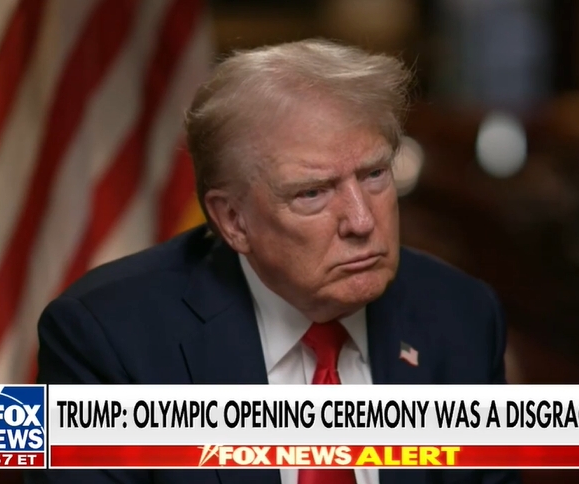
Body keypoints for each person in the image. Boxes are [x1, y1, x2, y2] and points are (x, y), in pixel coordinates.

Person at [27, 39, 520, 484]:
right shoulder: (108, 338)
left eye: (374, 174)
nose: (361, 220)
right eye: (312, 193)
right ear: (233, 220)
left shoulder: (461, 316)